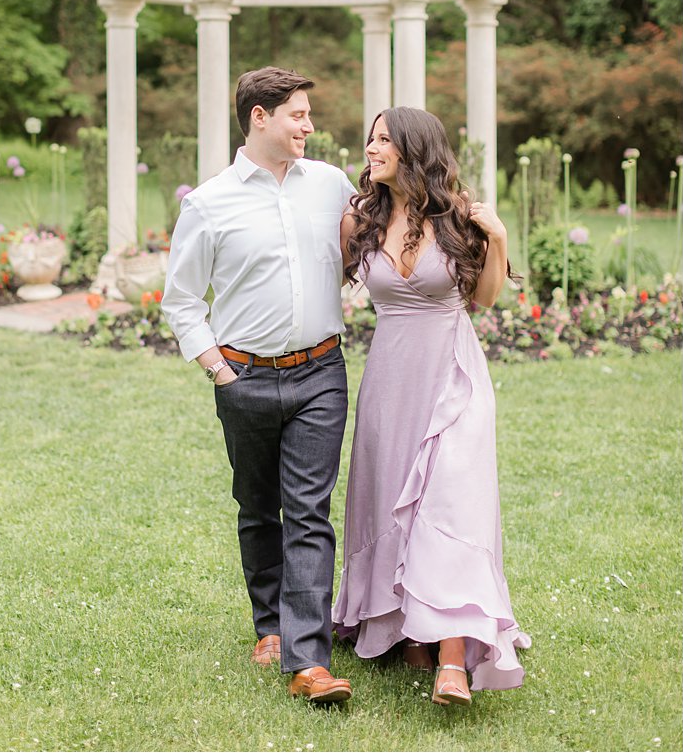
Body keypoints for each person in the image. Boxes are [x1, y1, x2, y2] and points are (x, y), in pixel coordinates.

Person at [163, 67, 358, 704]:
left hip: (321, 373)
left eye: (308, 114)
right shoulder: (209, 204)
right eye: (297, 114)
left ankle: (307, 660)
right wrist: (220, 371)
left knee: (308, 510)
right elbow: (183, 300)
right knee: (257, 507)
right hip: (243, 375)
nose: (308, 125)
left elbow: (368, 249)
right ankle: (269, 626)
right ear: (259, 118)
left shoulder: (331, 185)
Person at [330, 106, 530, 706]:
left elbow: (486, 298)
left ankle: (451, 659)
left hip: (453, 374)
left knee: (451, 499)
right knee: (391, 495)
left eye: (384, 140)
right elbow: (327, 281)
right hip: (390, 379)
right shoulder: (358, 221)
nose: (371, 148)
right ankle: (403, 627)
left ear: (415, 149)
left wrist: (497, 237)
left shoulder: (456, 216)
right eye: (370, 138)